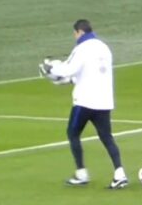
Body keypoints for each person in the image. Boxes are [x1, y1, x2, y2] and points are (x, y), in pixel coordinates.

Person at [40, 19, 128, 189]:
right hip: (104, 101)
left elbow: (68, 69)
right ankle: (119, 173)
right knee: (107, 137)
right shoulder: (104, 47)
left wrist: (50, 69)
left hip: (85, 101)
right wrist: (69, 79)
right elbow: (89, 73)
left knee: (73, 134)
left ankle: (81, 173)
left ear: (79, 32)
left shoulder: (81, 48)